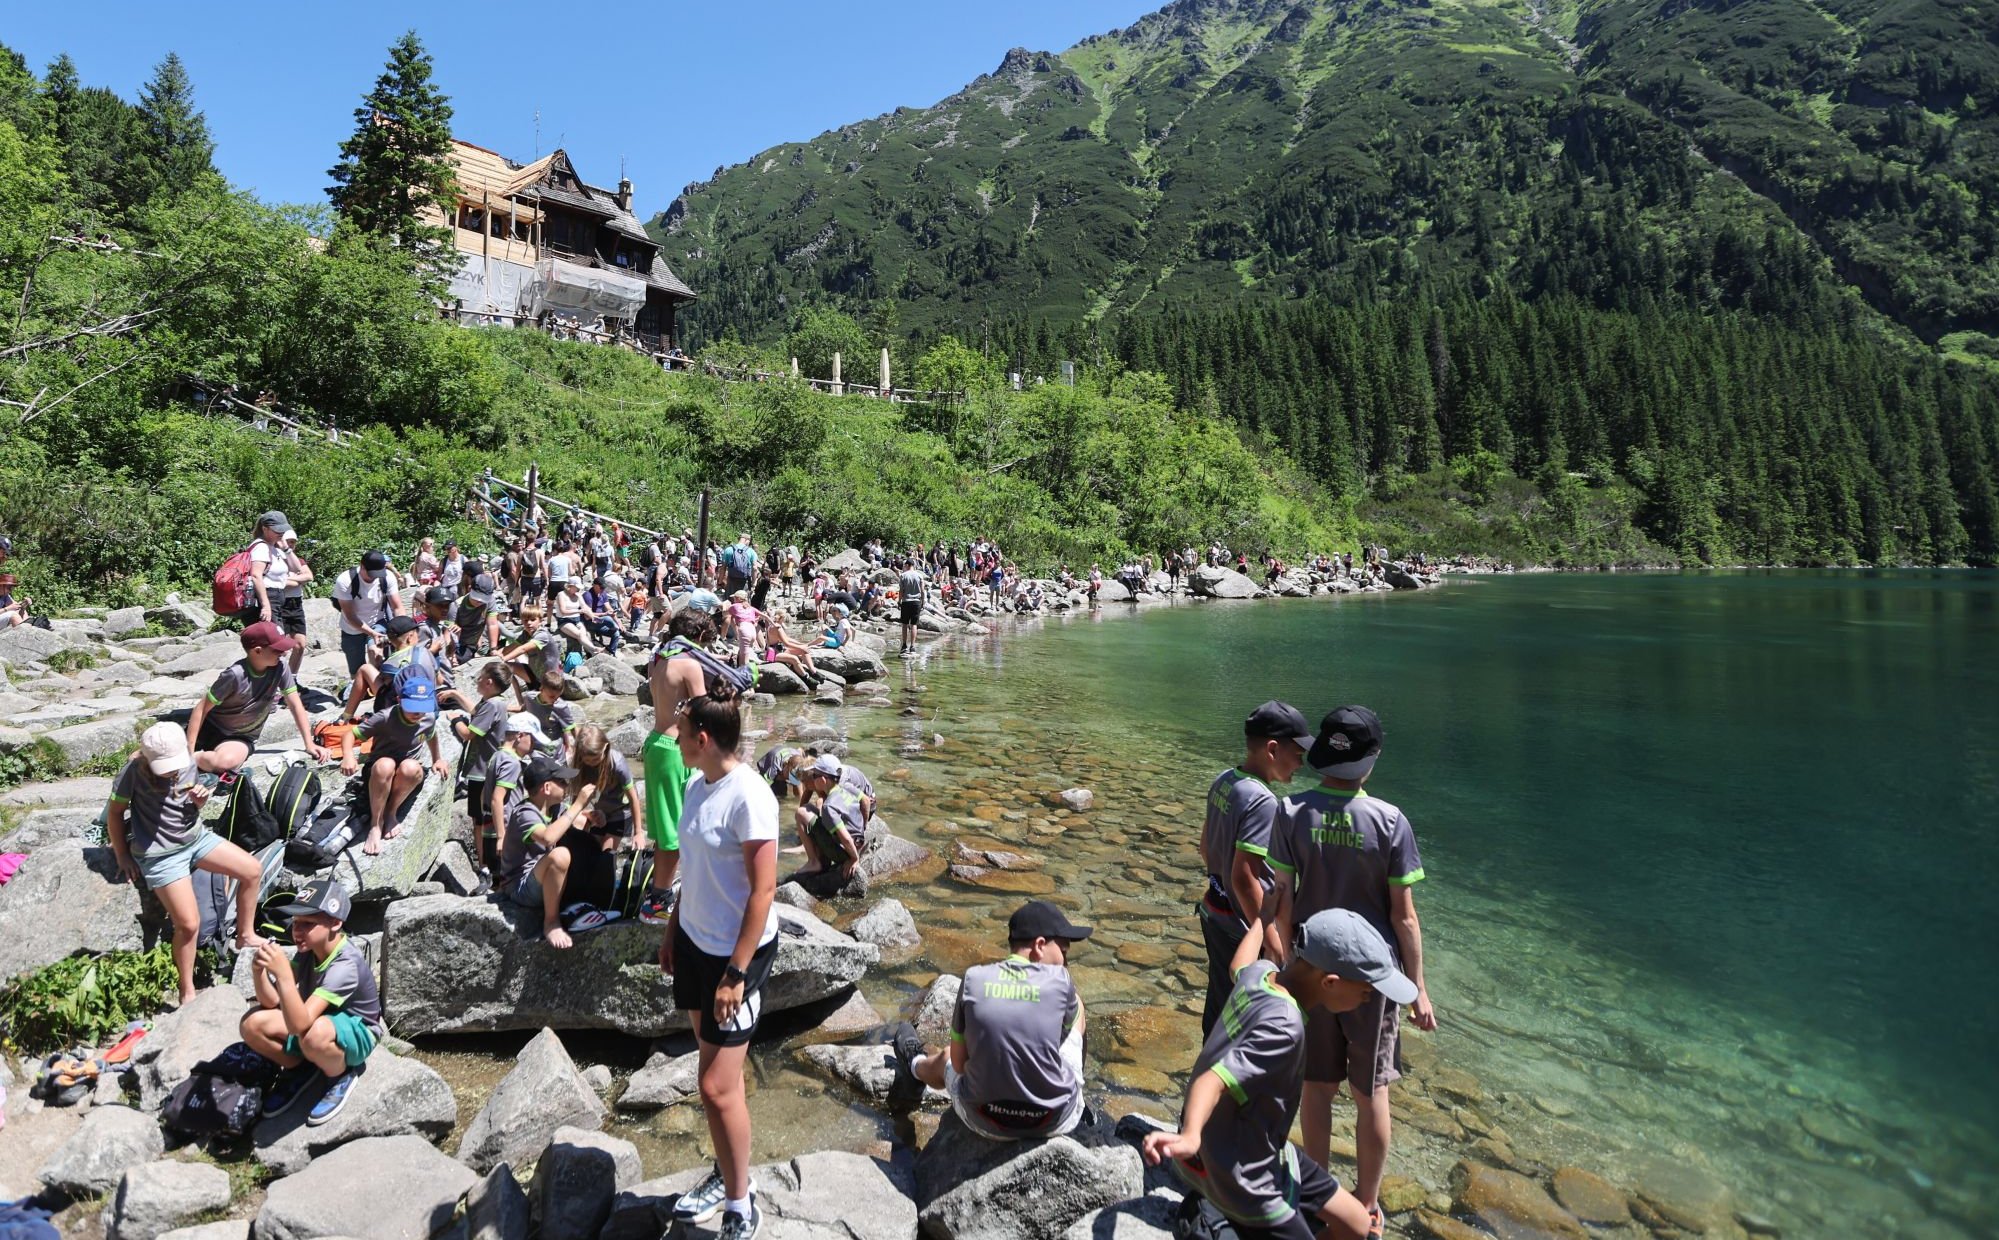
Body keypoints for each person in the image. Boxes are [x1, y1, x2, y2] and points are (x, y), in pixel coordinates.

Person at [1140, 908, 1414, 1240]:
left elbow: (1237, 965)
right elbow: (1213, 1079)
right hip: (1245, 1178)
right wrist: (1191, 1136)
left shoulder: (1262, 974)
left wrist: (1263, 917)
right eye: (1367, 989)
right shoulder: (1284, 1027)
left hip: (1264, 1145)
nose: (1370, 996)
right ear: (1330, 982)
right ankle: (1226, 1222)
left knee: (1357, 1225)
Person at [1270, 707, 1435, 1235]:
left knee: (1316, 1088)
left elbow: (1282, 903)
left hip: (1315, 975)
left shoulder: (1291, 811)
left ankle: (1318, 1193)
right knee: (1371, 1093)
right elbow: (1403, 916)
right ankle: (1365, 1204)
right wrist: (1418, 990)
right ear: (1371, 761)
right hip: (1370, 981)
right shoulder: (1390, 822)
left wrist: (1283, 966)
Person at [658, 694, 779, 1239]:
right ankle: (726, 1171)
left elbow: (764, 891)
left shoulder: (749, 797)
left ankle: (739, 1201)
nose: (675, 740)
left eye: (681, 734)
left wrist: (737, 972)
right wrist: (671, 931)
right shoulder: (694, 785)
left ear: (703, 739)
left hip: (736, 957)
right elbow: (693, 868)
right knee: (713, 1074)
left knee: (714, 1087)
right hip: (694, 943)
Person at [887, 900, 1090, 1139]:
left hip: (982, 1120)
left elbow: (961, 1066)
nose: (1066, 964)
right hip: (1054, 1121)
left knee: (947, 1056)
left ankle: (915, 1067)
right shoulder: (1061, 982)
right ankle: (1078, 1097)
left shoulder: (974, 979)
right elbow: (1065, 1038)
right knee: (1077, 1006)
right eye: (1064, 953)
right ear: (1039, 945)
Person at [106, 724, 267, 1005]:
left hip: (196, 839)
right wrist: (122, 854)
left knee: (252, 869)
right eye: (164, 767)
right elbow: (115, 814)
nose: (171, 771)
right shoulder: (132, 772)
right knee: (189, 924)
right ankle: (186, 989)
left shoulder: (190, 761)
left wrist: (199, 801)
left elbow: (187, 803)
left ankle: (245, 934)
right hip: (160, 854)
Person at [1197, 702, 1312, 1035]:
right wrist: (1271, 937)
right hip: (1242, 927)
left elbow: (1206, 847)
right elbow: (1244, 877)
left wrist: (1222, 892)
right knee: (1246, 1020)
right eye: (1298, 752)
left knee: (1219, 1007)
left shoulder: (1224, 780)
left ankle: (1206, 1074)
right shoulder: (1263, 802)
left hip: (1214, 912)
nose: (1302, 763)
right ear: (1273, 749)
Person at [240, 879, 384, 1127]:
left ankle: (339, 1075)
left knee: (312, 1036)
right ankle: (301, 1069)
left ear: (335, 923)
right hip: (315, 1022)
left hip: (358, 1030)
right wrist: (258, 973)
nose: (297, 931)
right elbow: (272, 1001)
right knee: (251, 1024)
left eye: (308, 923)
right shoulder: (308, 951)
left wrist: (284, 975)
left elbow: (299, 1025)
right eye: (295, 923)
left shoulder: (345, 964)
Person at [635, 606, 724, 925]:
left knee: (666, 830)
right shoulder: (690, 664)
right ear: (699, 636)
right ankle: (658, 902)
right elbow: (704, 713)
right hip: (676, 751)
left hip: (658, 743)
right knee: (676, 832)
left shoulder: (660, 658)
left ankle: (664, 893)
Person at [184, 622, 327, 774]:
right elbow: (201, 709)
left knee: (226, 763)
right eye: (278, 649)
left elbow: (295, 705)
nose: (284, 653)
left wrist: (309, 744)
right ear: (257, 651)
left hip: (239, 737)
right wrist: (189, 749)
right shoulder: (235, 675)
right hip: (209, 729)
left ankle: (196, 759)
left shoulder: (281, 667)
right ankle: (190, 757)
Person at [508, 756, 616, 949]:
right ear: (547, 788)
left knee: (579, 826)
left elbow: (575, 818)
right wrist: (578, 804)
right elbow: (548, 837)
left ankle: (581, 901)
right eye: (562, 782)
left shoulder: (553, 808)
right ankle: (551, 922)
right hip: (521, 886)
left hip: (541, 876)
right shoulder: (525, 812)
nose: (567, 786)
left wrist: (592, 817)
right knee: (561, 855)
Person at [339, 668, 447, 856]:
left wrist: (437, 758)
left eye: (422, 707)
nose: (418, 713)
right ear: (399, 701)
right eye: (412, 707)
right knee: (385, 765)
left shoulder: (428, 719)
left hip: (406, 770)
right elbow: (351, 735)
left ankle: (391, 812)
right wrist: (348, 756)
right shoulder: (385, 717)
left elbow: (431, 735)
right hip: (379, 769)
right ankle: (376, 823)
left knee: (411, 768)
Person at [451, 662, 512, 871]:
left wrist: (456, 720)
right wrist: (455, 695)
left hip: (482, 772)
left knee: (480, 820)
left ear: (488, 682)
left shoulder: (492, 705)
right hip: (490, 770)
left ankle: (484, 864)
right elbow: (476, 711)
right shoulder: (497, 702)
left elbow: (469, 733)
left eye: (479, 677)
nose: (476, 680)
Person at [330, 550, 405, 677]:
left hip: (377, 621)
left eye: (377, 573)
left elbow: (397, 607)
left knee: (375, 653)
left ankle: (380, 686)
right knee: (357, 671)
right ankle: (362, 687)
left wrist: (403, 629)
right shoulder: (345, 580)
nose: (374, 577)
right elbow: (350, 616)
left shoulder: (387, 577)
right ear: (362, 566)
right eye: (371, 574)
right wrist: (371, 633)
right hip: (352, 627)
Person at [244, 512, 293, 629]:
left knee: (276, 639)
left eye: (283, 530)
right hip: (268, 597)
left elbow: (296, 568)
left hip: (275, 598)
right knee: (274, 640)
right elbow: (256, 575)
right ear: (265, 529)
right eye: (277, 530)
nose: (281, 533)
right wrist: (266, 606)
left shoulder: (272, 547)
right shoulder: (261, 547)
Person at [275, 529, 312, 673]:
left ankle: (293, 679)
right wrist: (297, 580)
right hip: (280, 604)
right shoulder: (275, 560)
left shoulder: (298, 560)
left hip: (296, 605)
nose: (291, 545)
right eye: (288, 541)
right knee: (280, 648)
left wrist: (288, 580)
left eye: (293, 542)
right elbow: (279, 583)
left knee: (300, 645)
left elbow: (308, 576)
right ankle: (277, 680)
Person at [897, 559, 927, 655]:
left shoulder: (903, 575)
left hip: (906, 601)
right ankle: (913, 646)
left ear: (907, 565)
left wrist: (899, 601)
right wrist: (923, 601)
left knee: (905, 624)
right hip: (916, 602)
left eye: (905, 565)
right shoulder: (919, 576)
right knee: (914, 625)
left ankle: (904, 646)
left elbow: (901, 590)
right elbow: (922, 590)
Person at [725, 591, 761, 669]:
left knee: (744, 657)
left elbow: (725, 613)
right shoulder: (749, 608)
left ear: (738, 598)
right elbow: (759, 616)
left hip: (744, 631)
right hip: (751, 632)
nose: (733, 599)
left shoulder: (735, 606)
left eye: (734, 598)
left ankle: (744, 671)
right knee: (743, 651)